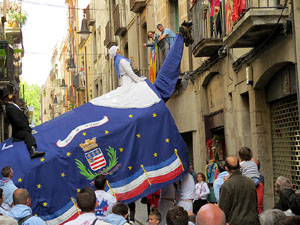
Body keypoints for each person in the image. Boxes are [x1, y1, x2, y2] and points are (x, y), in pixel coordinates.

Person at [0, 89, 45, 159]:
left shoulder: (12, 105)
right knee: (27, 135)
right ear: (6, 98)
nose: (11, 96)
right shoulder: (9, 108)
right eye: (9, 95)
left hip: (21, 128)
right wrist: (29, 129)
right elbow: (18, 121)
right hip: (18, 131)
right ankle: (32, 151)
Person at [219, 156, 260, 225]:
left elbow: (223, 210)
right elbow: (255, 204)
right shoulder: (250, 182)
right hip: (253, 221)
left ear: (226, 168)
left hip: (235, 221)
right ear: (240, 166)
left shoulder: (227, 185)